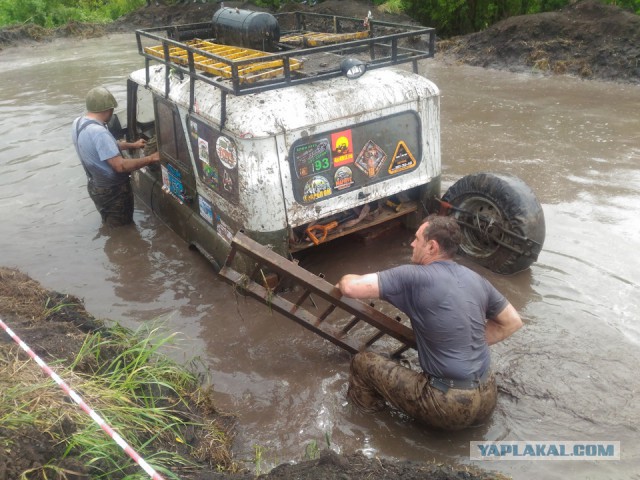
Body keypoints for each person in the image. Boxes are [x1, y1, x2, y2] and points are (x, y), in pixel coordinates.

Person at [336, 214, 523, 430]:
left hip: (448, 406)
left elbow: (351, 288)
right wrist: (461, 342)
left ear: (432, 246)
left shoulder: (413, 277)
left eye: (417, 239)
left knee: (362, 363)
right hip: (487, 396)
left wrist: (344, 278)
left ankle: (369, 429)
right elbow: (512, 322)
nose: (412, 243)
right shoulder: (476, 279)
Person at [72, 87, 160, 227]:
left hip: (95, 186)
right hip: (113, 192)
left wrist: (133, 145)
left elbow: (103, 148)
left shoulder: (79, 123)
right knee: (123, 228)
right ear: (108, 110)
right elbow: (120, 166)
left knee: (111, 224)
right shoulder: (100, 133)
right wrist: (151, 158)